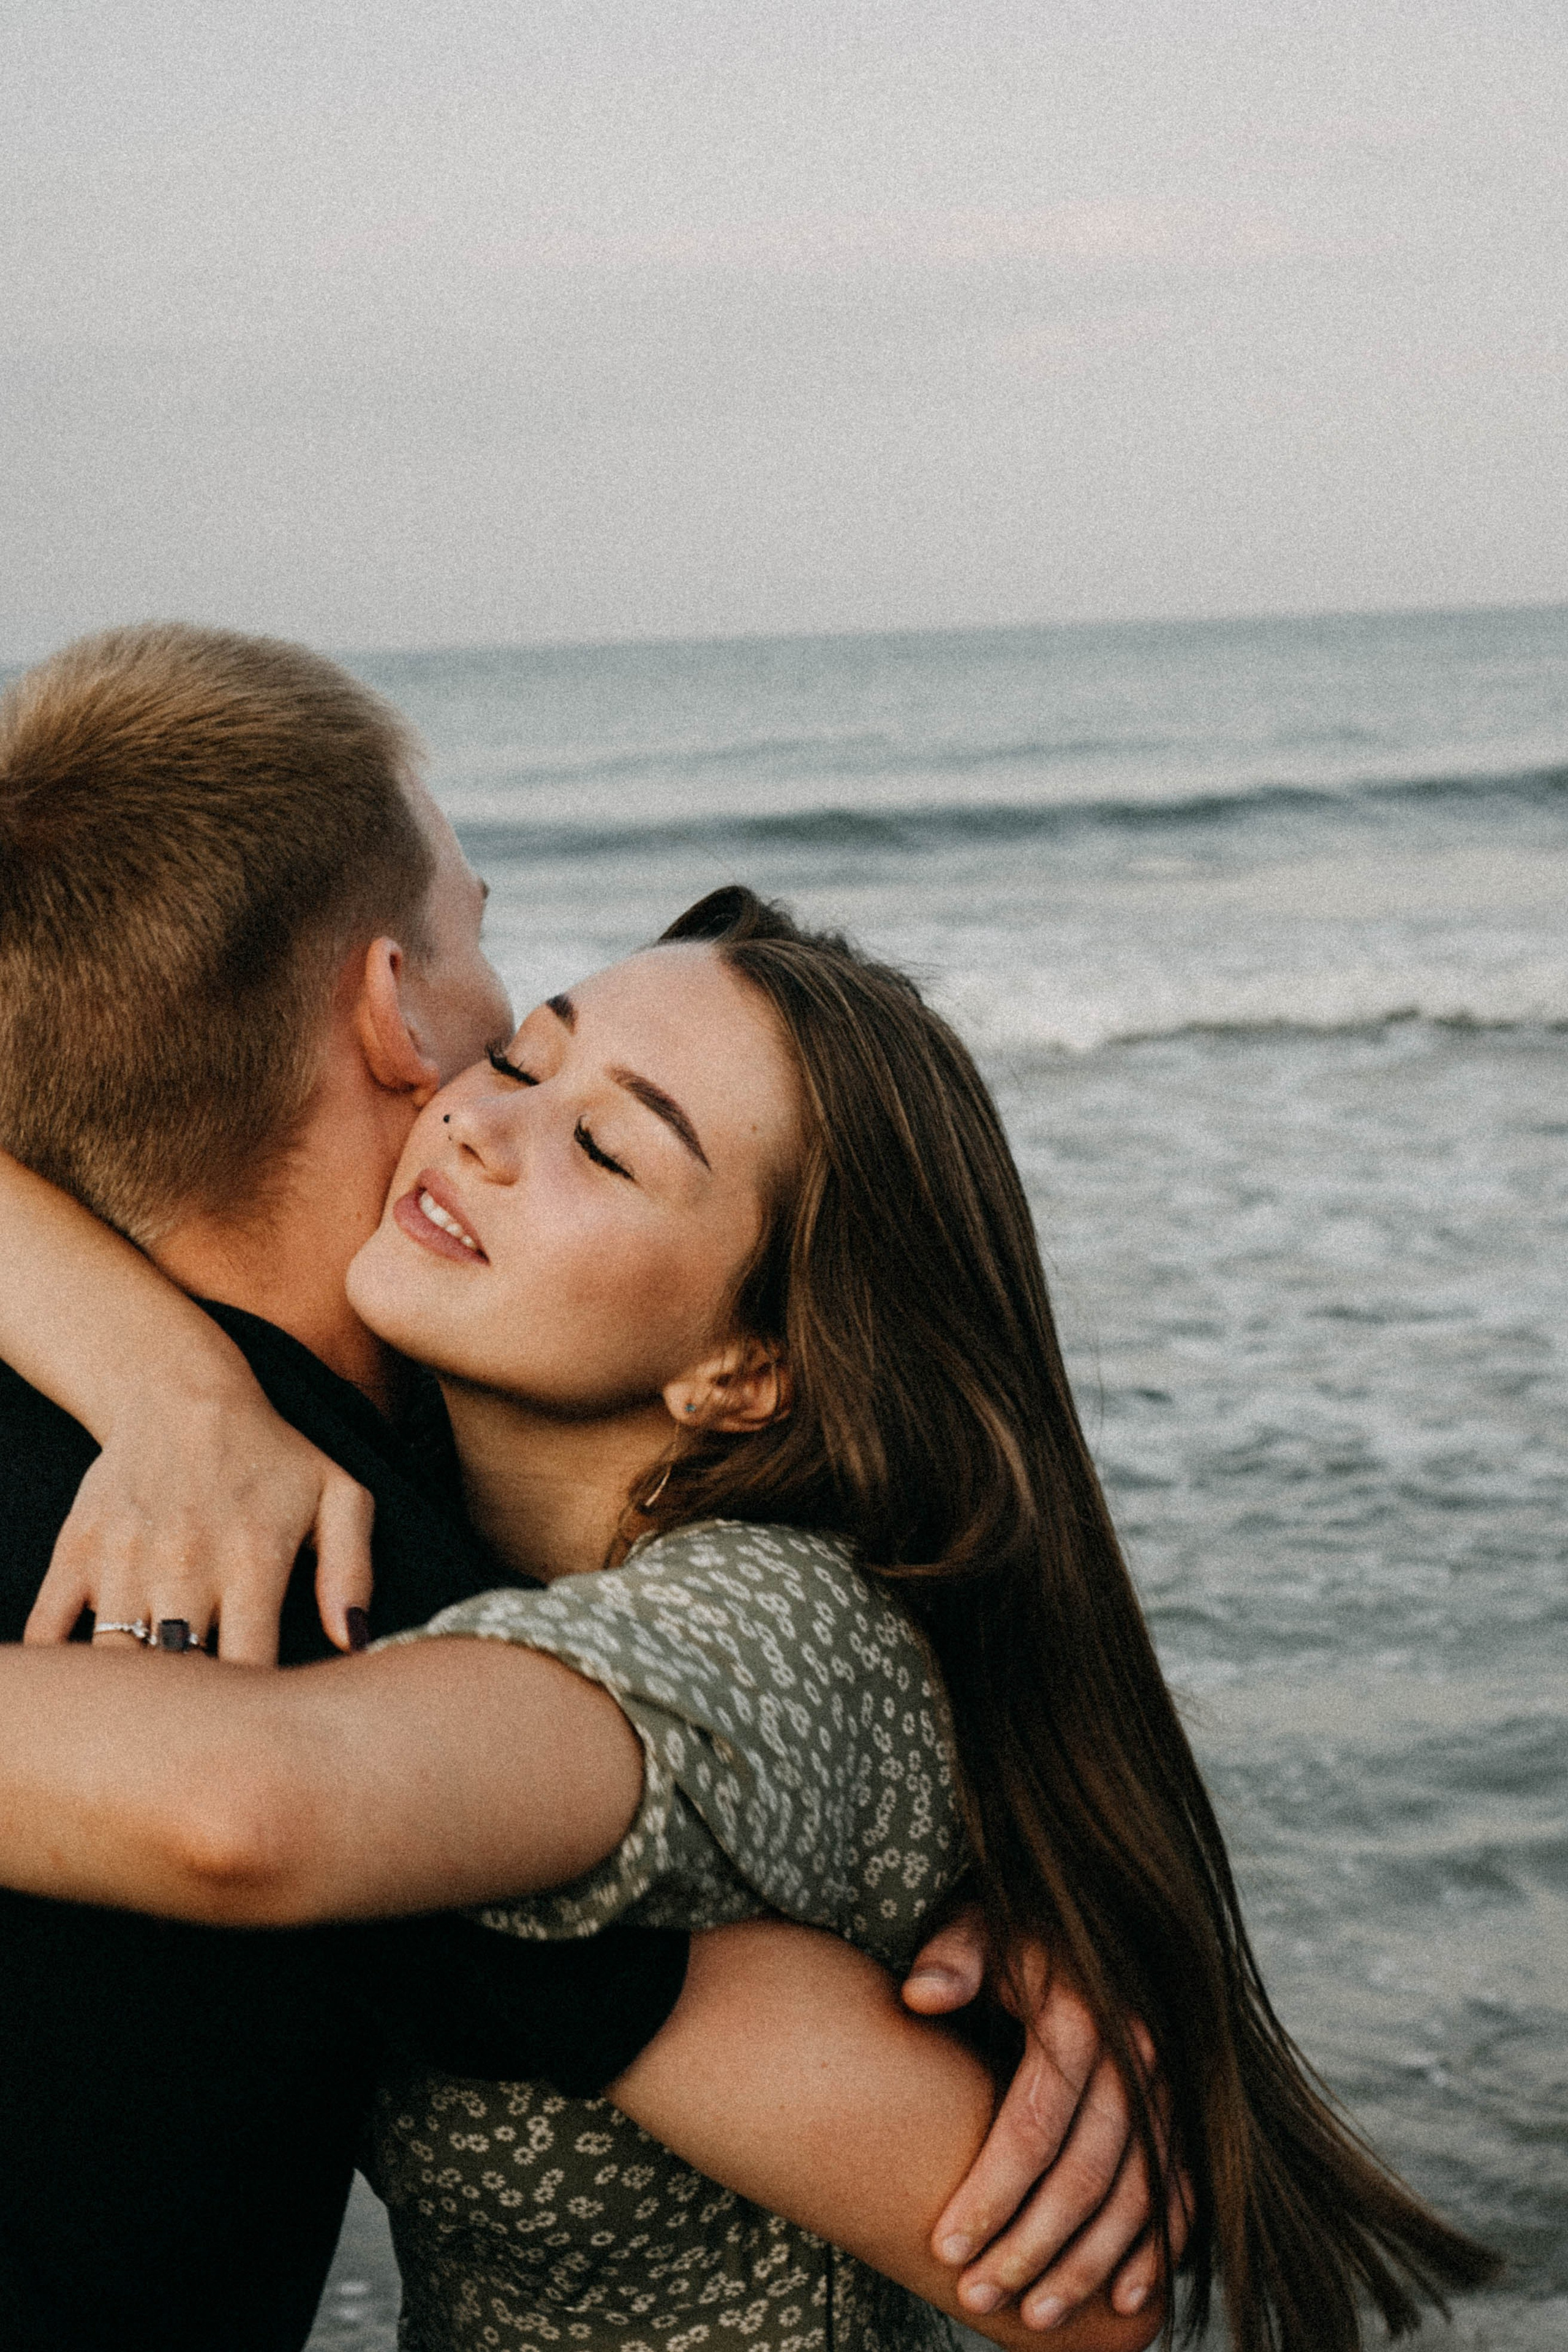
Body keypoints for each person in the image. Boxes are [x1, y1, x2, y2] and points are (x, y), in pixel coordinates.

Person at [0, 872, 1497, 2346]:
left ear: (744, 1372)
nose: (477, 1118)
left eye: (602, 1142)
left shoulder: (767, 1628)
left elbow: (252, 1807)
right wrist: (172, 1390)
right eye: (521, 1051)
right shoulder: (449, 1542)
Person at [0, 625, 1169, 2350]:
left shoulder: (434, 1610)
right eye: (510, 1005)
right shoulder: (324, 1568)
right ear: (394, 1007)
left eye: (612, 1141)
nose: (486, 1109)